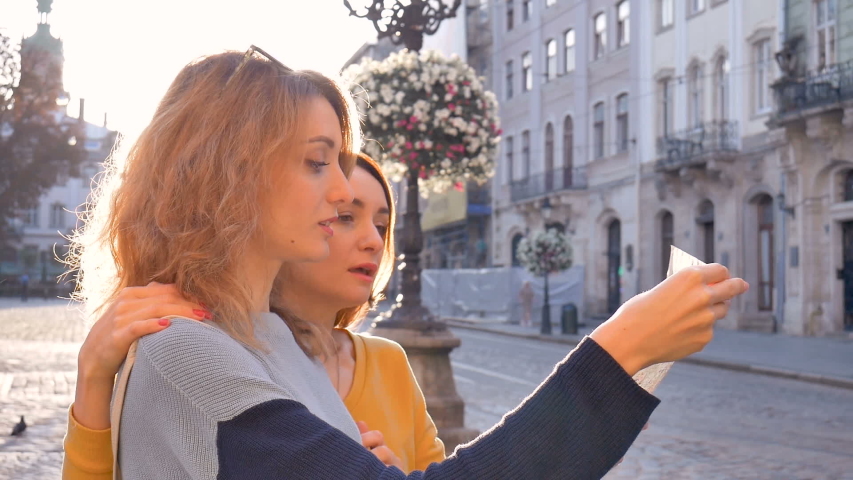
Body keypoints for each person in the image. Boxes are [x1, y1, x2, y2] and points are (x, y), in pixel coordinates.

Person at [68, 46, 749, 479]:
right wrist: (623, 351)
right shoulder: (188, 350)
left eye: (339, 161)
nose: (341, 192)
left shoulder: (266, 337)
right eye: (315, 163)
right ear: (226, 174)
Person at [63, 155, 444, 478]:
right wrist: (93, 378)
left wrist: (395, 473)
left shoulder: (389, 361)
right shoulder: (207, 351)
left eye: (381, 226)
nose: (374, 241)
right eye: (345, 217)